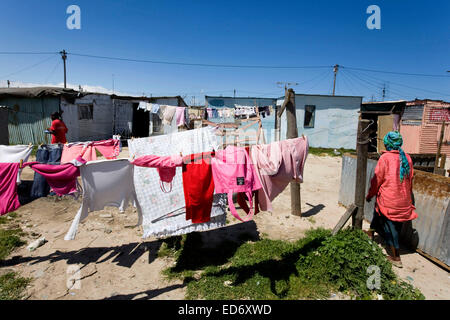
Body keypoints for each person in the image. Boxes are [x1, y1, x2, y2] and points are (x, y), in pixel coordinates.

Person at [365, 131, 418, 268]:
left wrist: (371, 193)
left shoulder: (385, 158)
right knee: (378, 212)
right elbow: (410, 180)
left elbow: (377, 180)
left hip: (390, 199)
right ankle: (371, 232)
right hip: (404, 199)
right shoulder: (407, 158)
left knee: (391, 228)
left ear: (387, 143)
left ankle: (395, 257)